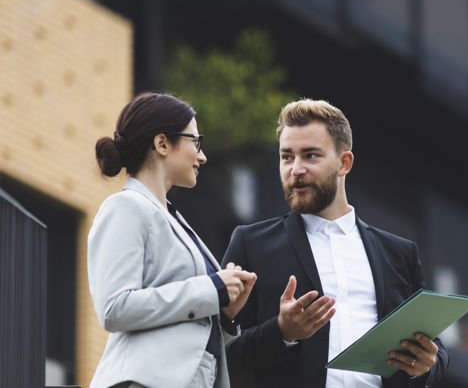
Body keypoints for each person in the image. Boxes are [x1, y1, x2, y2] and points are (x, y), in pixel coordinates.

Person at [222, 99, 448, 388]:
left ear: (344, 163)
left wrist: (426, 364)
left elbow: (434, 351)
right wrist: (281, 332)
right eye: (287, 157)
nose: (296, 169)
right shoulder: (251, 244)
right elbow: (218, 350)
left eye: (311, 156)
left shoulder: (399, 253)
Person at [88, 92, 257, 388]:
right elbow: (114, 307)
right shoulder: (125, 207)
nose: (202, 155)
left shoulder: (174, 220)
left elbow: (189, 332)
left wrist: (225, 313)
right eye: (195, 141)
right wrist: (212, 288)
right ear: (162, 143)